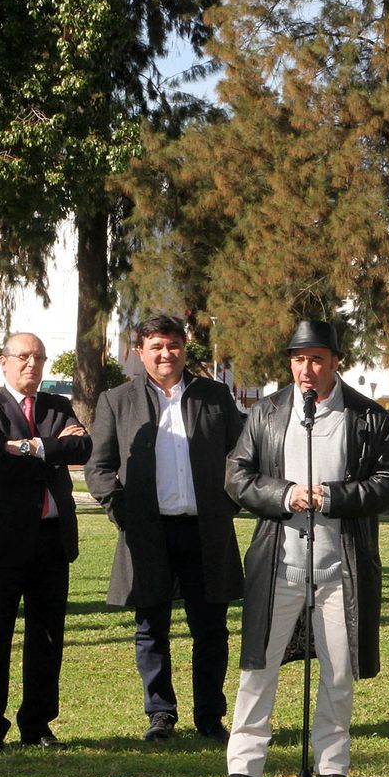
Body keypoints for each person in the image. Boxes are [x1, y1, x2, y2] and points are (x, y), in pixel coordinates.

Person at [217, 320, 389, 777]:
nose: (307, 369)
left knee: (338, 670)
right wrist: (284, 494)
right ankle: (244, 766)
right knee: (258, 667)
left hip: (341, 567)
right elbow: (237, 476)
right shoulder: (266, 413)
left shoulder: (366, 416)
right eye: (299, 359)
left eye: (317, 359)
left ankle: (332, 765)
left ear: (336, 362)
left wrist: (335, 496)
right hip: (279, 564)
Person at [85, 314, 245, 743]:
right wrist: (121, 511)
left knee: (210, 629)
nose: (165, 354)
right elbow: (99, 467)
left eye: (173, 345)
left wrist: (229, 503)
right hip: (148, 532)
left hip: (205, 531)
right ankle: (160, 714)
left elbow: (242, 454)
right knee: (150, 628)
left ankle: (209, 716)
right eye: (156, 346)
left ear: (184, 348)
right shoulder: (117, 400)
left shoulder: (214, 396)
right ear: (140, 352)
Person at [0, 332, 91, 751]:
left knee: (47, 637)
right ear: (3, 361)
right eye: (23, 357)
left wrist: (28, 447)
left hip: (52, 540)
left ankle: (37, 725)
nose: (31, 365)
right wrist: (51, 450)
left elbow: (83, 447)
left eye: (38, 357)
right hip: (2, 541)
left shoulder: (56, 405)